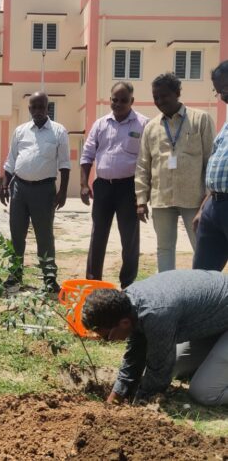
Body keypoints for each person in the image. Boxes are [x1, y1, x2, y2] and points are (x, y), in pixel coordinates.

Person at [82, 269, 228, 406]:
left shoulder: (156, 313)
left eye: (107, 337)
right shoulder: (127, 303)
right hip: (217, 319)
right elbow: (135, 354)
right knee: (177, 367)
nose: (108, 341)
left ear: (124, 323)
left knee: (204, 393)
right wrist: (115, 397)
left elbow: (160, 368)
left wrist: (142, 401)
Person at [135, 73, 215, 272]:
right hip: (161, 198)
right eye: (156, 97)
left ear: (177, 93)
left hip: (194, 199)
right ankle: (168, 292)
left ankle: (203, 291)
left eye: (164, 96)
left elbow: (210, 160)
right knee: (164, 248)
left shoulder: (200, 119)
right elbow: (143, 164)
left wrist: (208, 198)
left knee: (201, 246)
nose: (159, 101)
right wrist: (141, 200)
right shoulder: (151, 127)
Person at [80, 82, 148, 288]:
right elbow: (87, 155)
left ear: (132, 101)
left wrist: (143, 196)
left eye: (123, 100)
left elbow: (148, 160)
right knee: (98, 234)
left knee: (129, 237)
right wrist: (84, 184)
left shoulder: (143, 124)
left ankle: (128, 284)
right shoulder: (100, 124)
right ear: (110, 99)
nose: (118, 104)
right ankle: (93, 281)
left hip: (129, 188)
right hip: (103, 187)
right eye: (114, 100)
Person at [0, 92, 70, 292]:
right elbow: (10, 161)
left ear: (47, 108)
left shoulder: (58, 131)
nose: (38, 111)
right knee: (16, 234)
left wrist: (63, 191)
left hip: (44, 190)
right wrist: (5, 186)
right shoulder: (20, 131)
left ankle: (49, 278)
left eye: (41, 107)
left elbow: (65, 164)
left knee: (45, 235)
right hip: (19, 189)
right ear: (29, 109)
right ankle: (14, 275)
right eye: (34, 107)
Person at [193, 61, 228, 271]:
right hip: (214, 207)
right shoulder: (225, 124)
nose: (222, 97)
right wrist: (203, 208)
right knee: (202, 278)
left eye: (224, 89)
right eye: (218, 92)